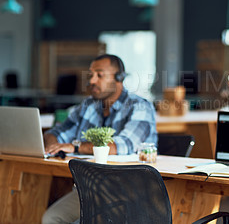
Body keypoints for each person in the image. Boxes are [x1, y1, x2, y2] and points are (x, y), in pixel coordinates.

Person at [42, 54, 158, 224]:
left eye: (100, 75)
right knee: (51, 218)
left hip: (127, 193)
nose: (92, 81)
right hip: (91, 188)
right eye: (91, 75)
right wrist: (53, 146)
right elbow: (58, 131)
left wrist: (75, 147)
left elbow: (121, 145)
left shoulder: (140, 106)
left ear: (119, 78)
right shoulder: (88, 105)